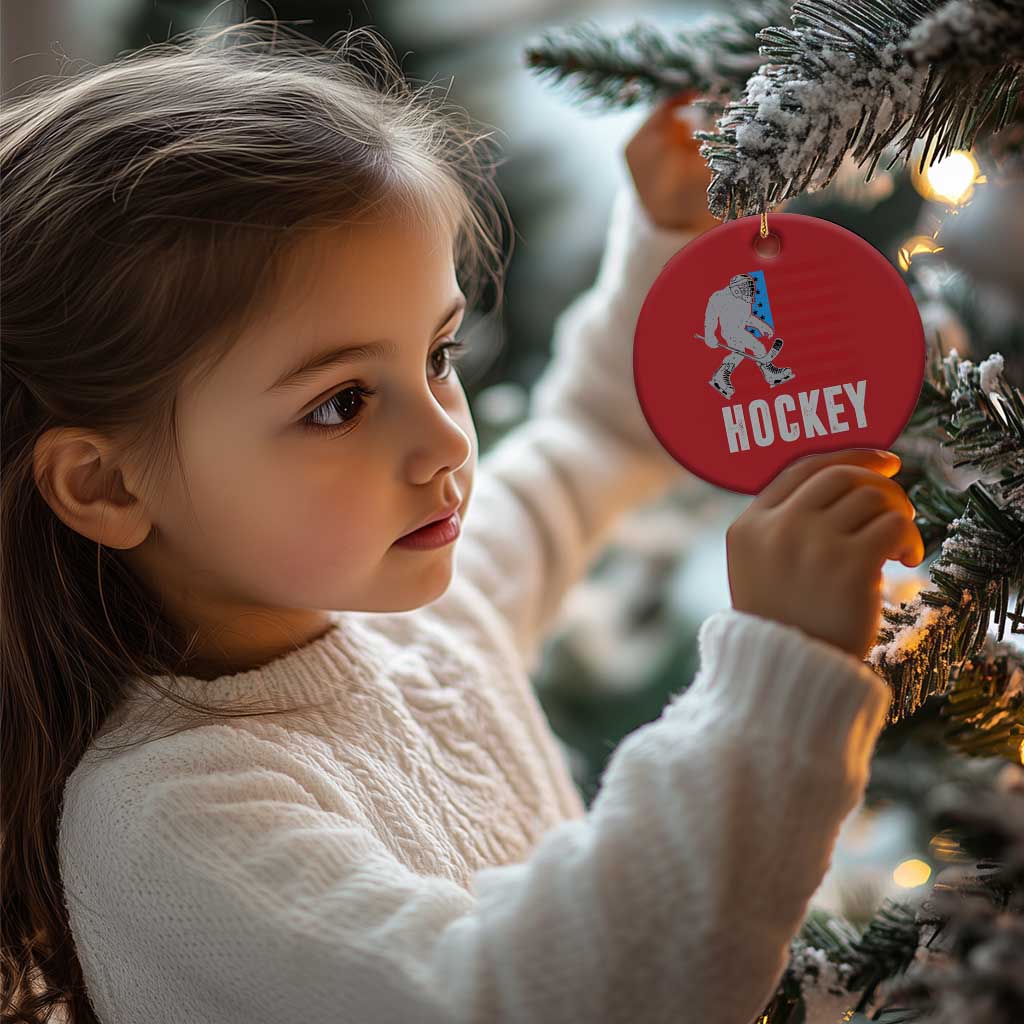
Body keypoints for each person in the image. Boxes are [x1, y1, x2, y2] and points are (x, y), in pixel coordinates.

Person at [0, 20, 923, 1024]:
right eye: (340, 402)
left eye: (436, 357)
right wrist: (775, 677)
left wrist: (668, 241)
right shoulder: (169, 816)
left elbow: (593, 438)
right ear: (106, 487)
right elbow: (531, 1000)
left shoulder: (425, 620)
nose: (443, 442)